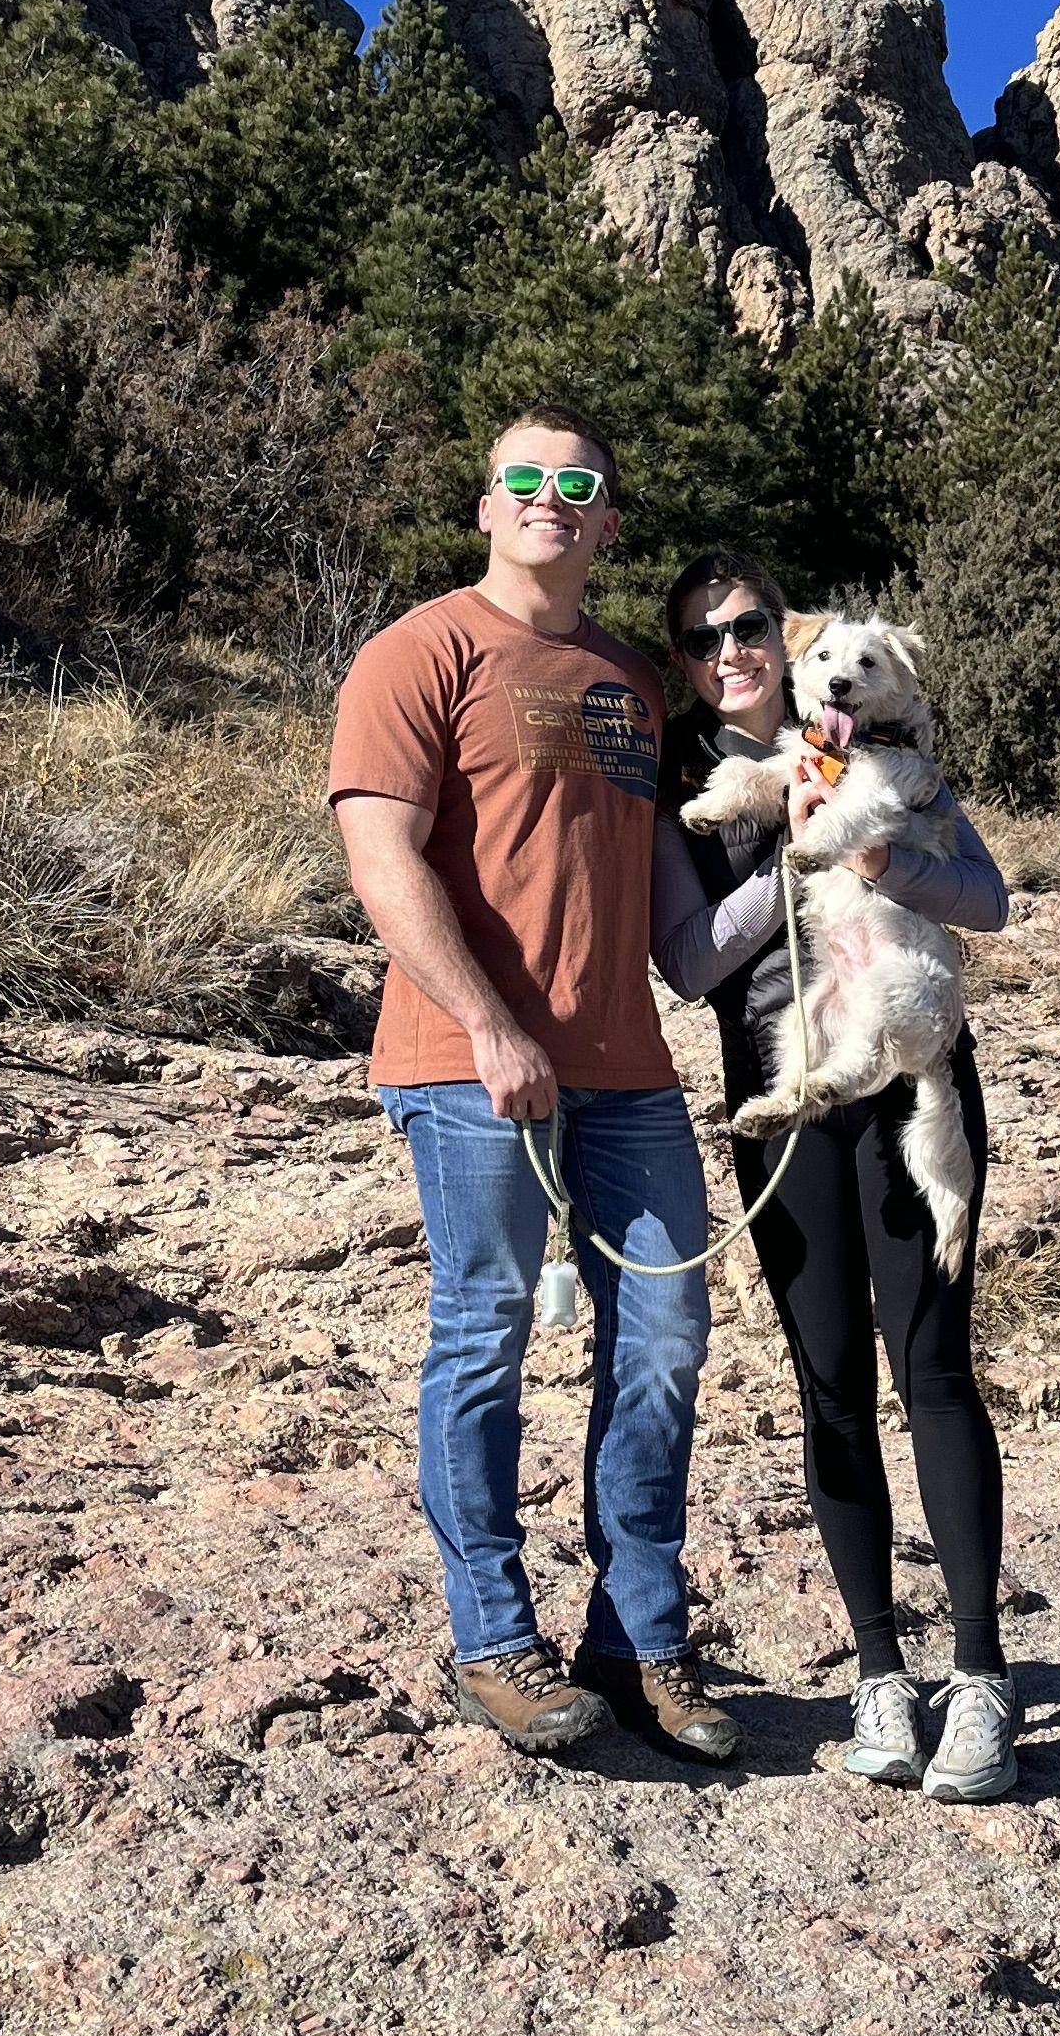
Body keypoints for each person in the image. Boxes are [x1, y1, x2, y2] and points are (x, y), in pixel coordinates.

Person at [327, 415, 742, 1766]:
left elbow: (676, 905)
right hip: (471, 1066)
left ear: (607, 523)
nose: (550, 500)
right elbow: (382, 858)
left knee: (667, 1341)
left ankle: (636, 1642)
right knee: (486, 1332)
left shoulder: (633, 679)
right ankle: (495, 1640)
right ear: (487, 507)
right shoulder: (418, 651)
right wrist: (492, 1024)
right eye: (526, 481)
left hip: (629, 1072)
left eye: (579, 485)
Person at [647, 553, 1023, 1803]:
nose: (734, 652)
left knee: (935, 1369)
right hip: (787, 1100)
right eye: (707, 642)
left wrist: (873, 856)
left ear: (789, 639)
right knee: (831, 1390)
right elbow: (690, 965)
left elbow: (991, 898)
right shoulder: (695, 782)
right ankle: (879, 1671)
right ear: (690, 667)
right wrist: (791, 850)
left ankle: (978, 1677)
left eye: (752, 626)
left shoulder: (898, 760)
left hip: (911, 1071)